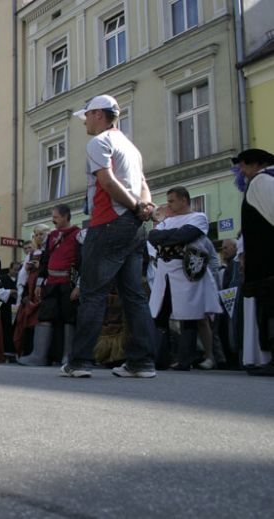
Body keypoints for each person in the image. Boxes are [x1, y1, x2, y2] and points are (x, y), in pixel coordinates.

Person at [61, 94, 157, 378]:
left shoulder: (98, 142)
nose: (85, 122)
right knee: (134, 295)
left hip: (107, 223)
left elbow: (107, 180)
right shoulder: (130, 147)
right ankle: (142, 363)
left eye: (87, 116)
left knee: (92, 294)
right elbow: (143, 185)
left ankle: (79, 363)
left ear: (99, 114)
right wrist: (144, 207)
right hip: (133, 227)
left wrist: (135, 206)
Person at [148, 187, 223, 370]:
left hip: (186, 271)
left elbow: (186, 235)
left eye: (172, 201)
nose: (168, 205)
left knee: (189, 315)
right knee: (160, 314)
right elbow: (153, 237)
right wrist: (173, 237)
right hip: (165, 272)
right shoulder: (167, 221)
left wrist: (170, 238)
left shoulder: (198, 218)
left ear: (184, 200)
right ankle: (160, 358)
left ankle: (186, 360)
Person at [19, 205, 81, 366]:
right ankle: (38, 356)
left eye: (56, 217)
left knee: (69, 318)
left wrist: (79, 285)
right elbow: (45, 260)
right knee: (45, 315)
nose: (53, 220)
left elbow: (84, 262)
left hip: (68, 282)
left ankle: (68, 357)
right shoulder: (51, 236)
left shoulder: (78, 234)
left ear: (66, 216)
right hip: (51, 283)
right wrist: (40, 282)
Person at [233, 149, 274, 376]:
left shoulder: (261, 181)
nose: (241, 172)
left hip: (267, 262)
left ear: (255, 164)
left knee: (269, 309)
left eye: (243, 166)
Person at [14, 224, 49, 357]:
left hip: (45, 288)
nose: (39, 237)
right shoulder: (32, 253)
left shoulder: (49, 251)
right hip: (31, 289)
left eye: (42, 234)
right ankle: (27, 351)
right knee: (28, 319)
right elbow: (23, 276)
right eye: (37, 234)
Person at [0, 261, 21, 357]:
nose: (16, 272)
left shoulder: (20, 279)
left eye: (18, 270)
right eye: (15, 270)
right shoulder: (3, 278)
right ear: (10, 269)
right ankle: (6, 349)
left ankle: (15, 349)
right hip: (6, 307)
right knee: (6, 327)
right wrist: (10, 292)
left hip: (17, 306)